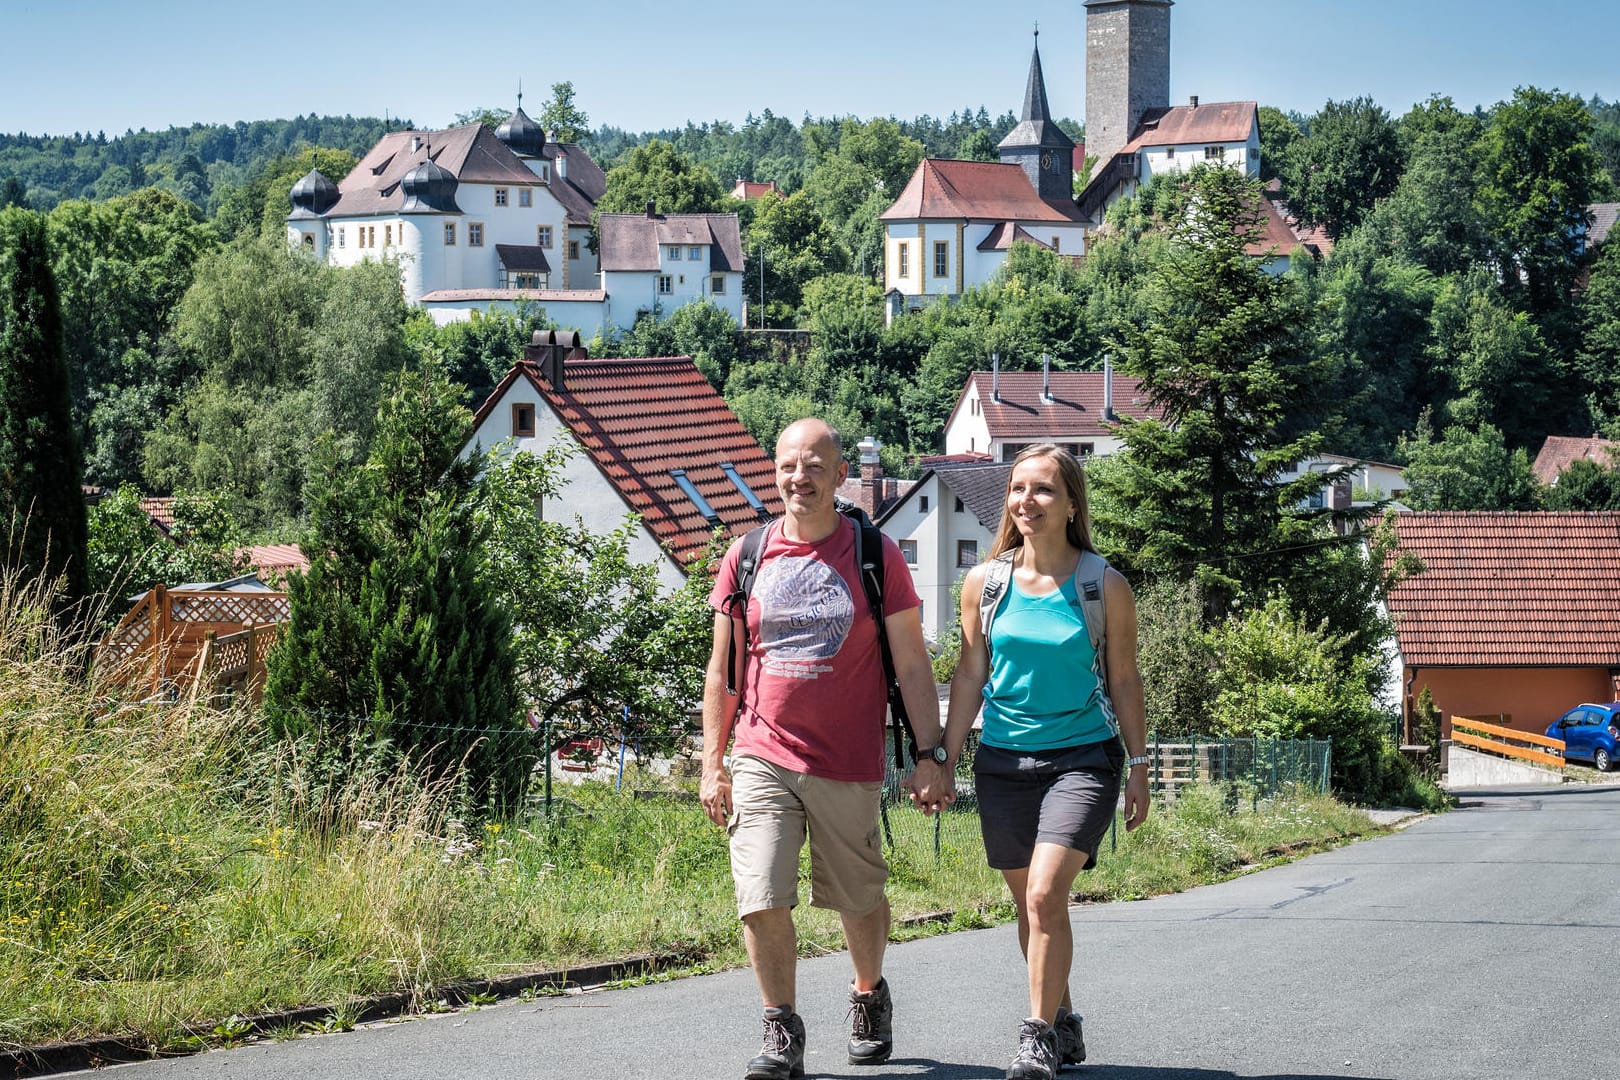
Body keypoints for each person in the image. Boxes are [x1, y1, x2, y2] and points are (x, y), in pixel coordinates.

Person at [701, 418, 947, 1080]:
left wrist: (933, 754)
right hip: (761, 753)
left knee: (857, 896)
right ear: (774, 474)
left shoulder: (875, 555)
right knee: (760, 891)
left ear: (841, 477)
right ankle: (781, 1028)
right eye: (787, 465)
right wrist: (712, 762)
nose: (798, 477)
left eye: (814, 466)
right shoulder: (746, 556)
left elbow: (913, 664)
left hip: (846, 760)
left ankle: (868, 993)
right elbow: (722, 671)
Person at [924, 443, 1151, 1080]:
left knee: (1048, 894)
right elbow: (969, 675)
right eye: (1019, 488)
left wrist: (1139, 765)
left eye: (1044, 489)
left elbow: (1126, 680)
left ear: (1072, 502)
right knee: (1032, 907)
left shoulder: (1102, 585)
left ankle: (1035, 1037)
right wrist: (943, 753)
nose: (1028, 500)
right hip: (1001, 762)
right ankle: (1064, 1018)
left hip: (1082, 759)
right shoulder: (985, 583)